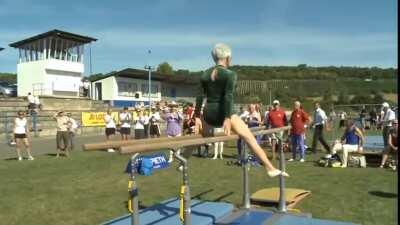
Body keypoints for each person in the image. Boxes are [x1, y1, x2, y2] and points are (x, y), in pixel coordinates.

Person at [194, 43, 287, 177]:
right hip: (223, 113)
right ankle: (270, 168)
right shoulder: (230, 74)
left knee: (200, 136)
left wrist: (197, 116)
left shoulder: (205, 74)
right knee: (249, 138)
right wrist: (227, 118)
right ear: (228, 58)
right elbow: (228, 96)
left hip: (208, 114)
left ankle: (183, 159)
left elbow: (199, 96)